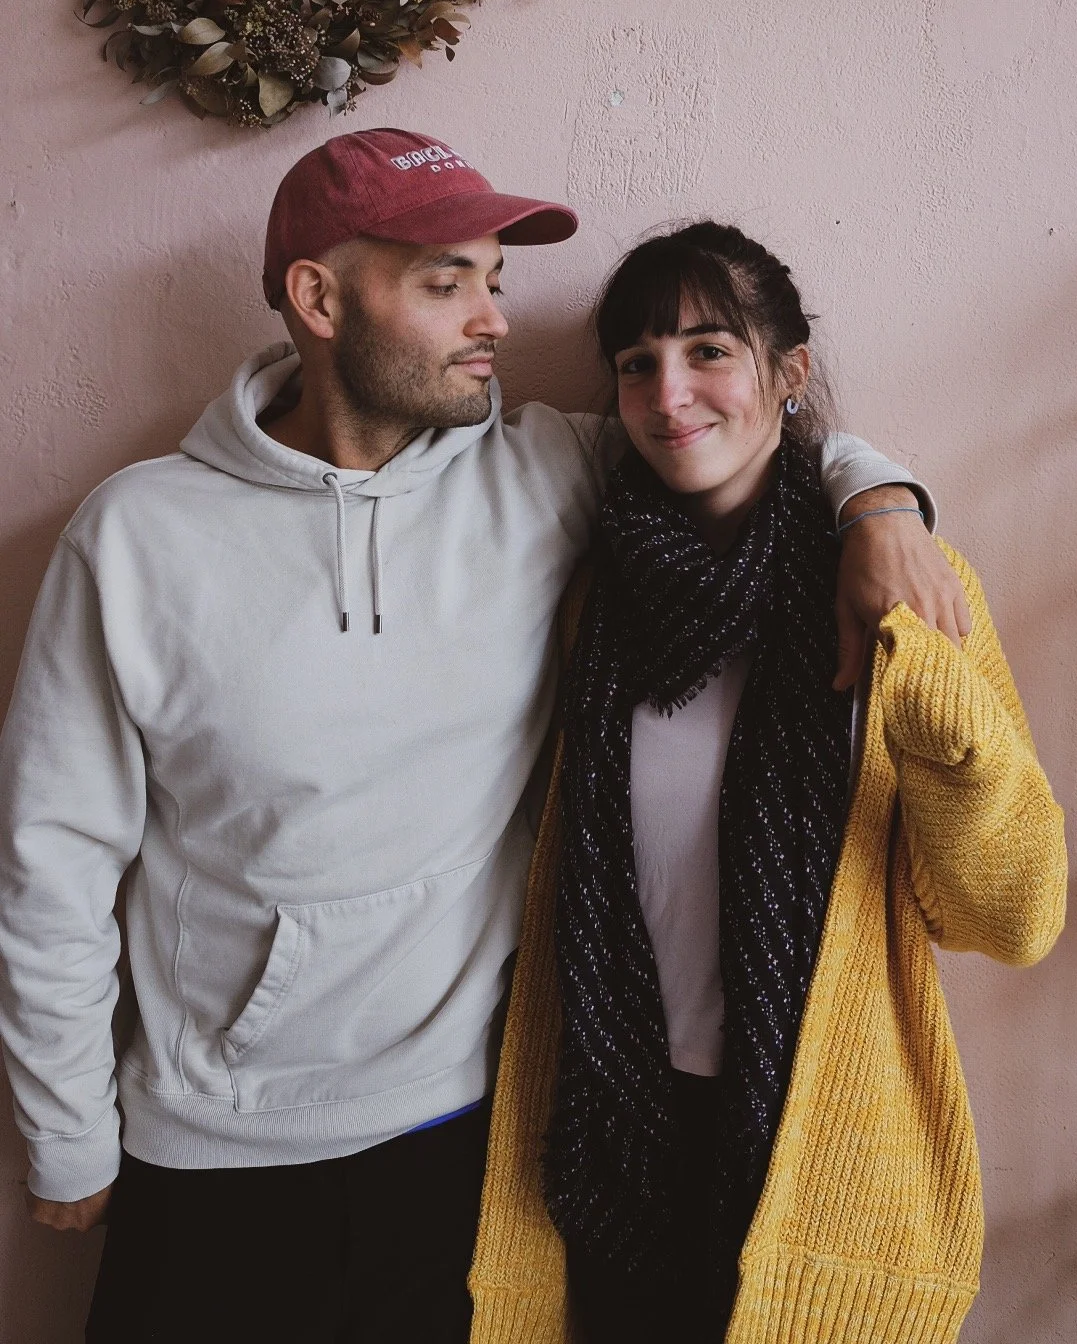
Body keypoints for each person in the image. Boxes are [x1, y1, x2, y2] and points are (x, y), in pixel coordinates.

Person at [0, 131, 968, 1344]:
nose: (493, 320)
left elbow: (744, 430)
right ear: (319, 299)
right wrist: (66, 1131)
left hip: (460, 1142)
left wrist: (879, 505)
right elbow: (52, 860)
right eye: (444, 282)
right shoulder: (136, 536)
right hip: (209, 1148)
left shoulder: (542, 471)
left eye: (495, 281)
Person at [468, 221, 1068, 1344]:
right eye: (637, 362)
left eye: (708, 350)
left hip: (812, 1138)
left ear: (789, 373)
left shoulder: (906, 596)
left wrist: (951, 738)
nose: (667, 394)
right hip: (617, 1128)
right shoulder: (593, 601)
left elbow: (1011, 917)